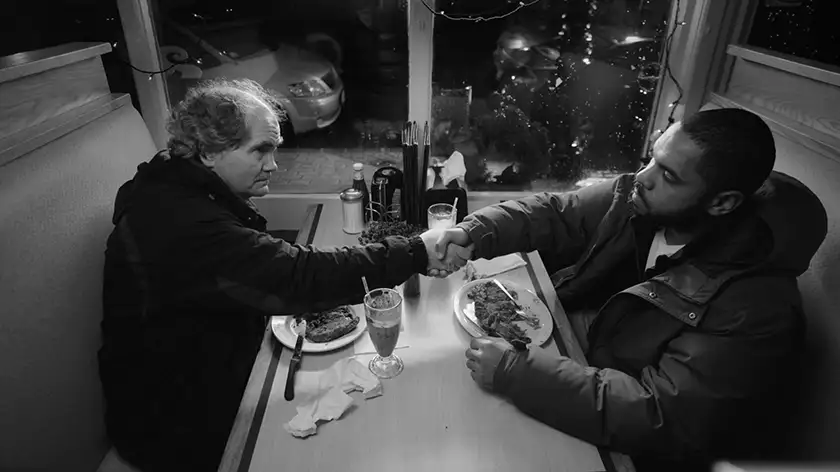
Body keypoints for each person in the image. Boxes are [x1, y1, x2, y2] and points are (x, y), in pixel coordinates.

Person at [98, 78, 470, 472]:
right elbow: (296, 275)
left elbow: (275, 267)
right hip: (173, 425)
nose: (273, 165)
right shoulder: (181, 223)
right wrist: (416, 251)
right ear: (208, 151)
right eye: (260, 150)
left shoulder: (179, 187)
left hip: (209, 368)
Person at [433, 109, 828, 470]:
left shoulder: (756, 307)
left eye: (669, 175)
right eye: (652, 159)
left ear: (722, 203)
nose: (643, 177)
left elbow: (661, 416)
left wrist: (515, 372)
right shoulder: (641, 199)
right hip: (582, 363)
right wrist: (475, 231)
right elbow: (556, 212)